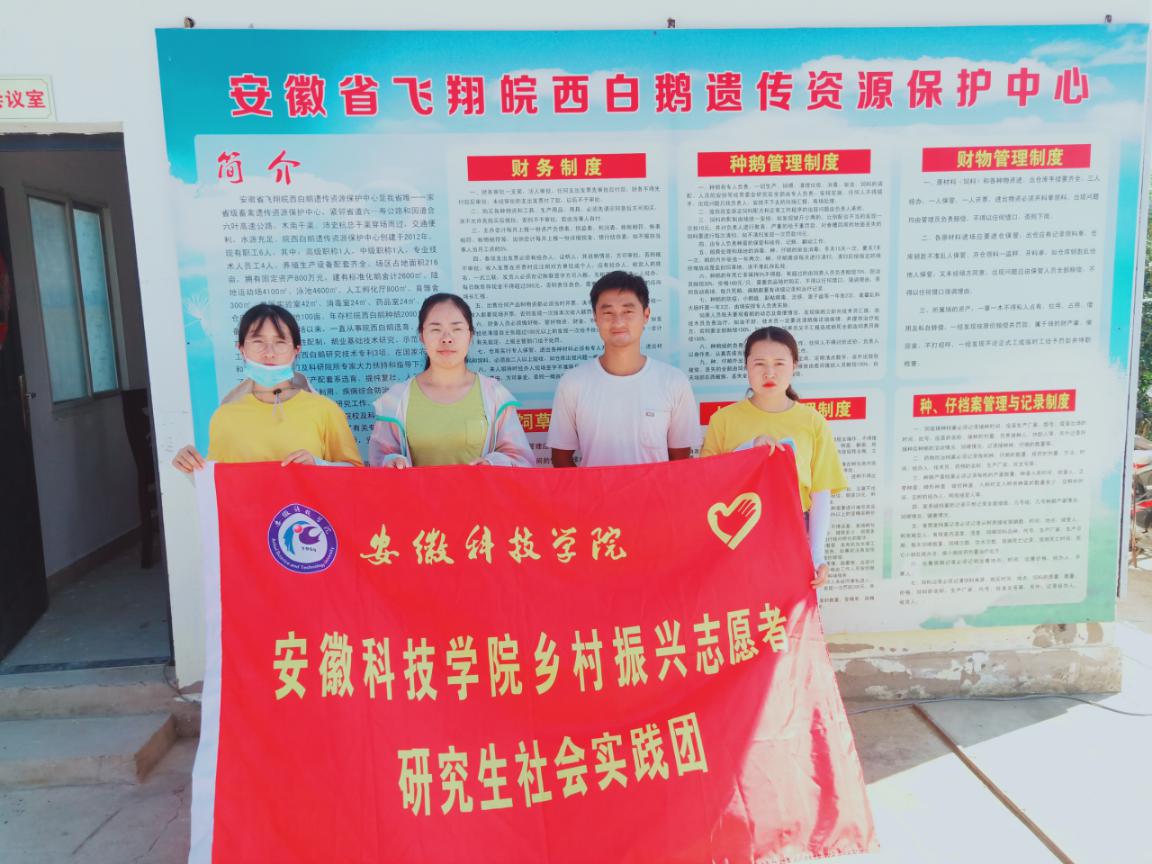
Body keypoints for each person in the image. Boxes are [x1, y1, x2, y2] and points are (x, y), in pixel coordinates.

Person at [700, 326, 847, 589]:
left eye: (779, 363)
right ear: (746, 366)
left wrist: (816, 555)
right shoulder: (723, 420)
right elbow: (705, 482)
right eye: (759, 363)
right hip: (738, 534)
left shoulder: (812, 421)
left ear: (794, 366)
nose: (769, 373)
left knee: (789, 611)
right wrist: (749, 449)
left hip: (794, 531)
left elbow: (820, 494)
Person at [171, 303, 362, 472]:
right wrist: (190, 467)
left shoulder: (324, 410)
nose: (269, 353)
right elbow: (217, 486)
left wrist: (319, 465)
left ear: (296, 350)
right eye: (258, 341)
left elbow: (356, 474)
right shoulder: (225, 417)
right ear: (241, 349)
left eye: (280, 342)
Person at [548, 271, 700, 467]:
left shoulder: (673, 381)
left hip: (654, 489)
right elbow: (561, 458)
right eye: (608, 313)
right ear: (595, 317)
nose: (618, 322)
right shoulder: (573, 383)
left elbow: (680, 462)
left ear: (646, 315)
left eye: (628, 312)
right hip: (594, 489)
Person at [369, 293, 533, 468]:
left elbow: (521, 459)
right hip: (417, 489)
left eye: (457, 329)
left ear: (470, 336)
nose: (447, 338)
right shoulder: (396, 399)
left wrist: (492, 463)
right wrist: (391, 461)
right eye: (436, 329)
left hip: (481, 488)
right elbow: (379, 458)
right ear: (422, 336)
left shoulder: (495, 395)